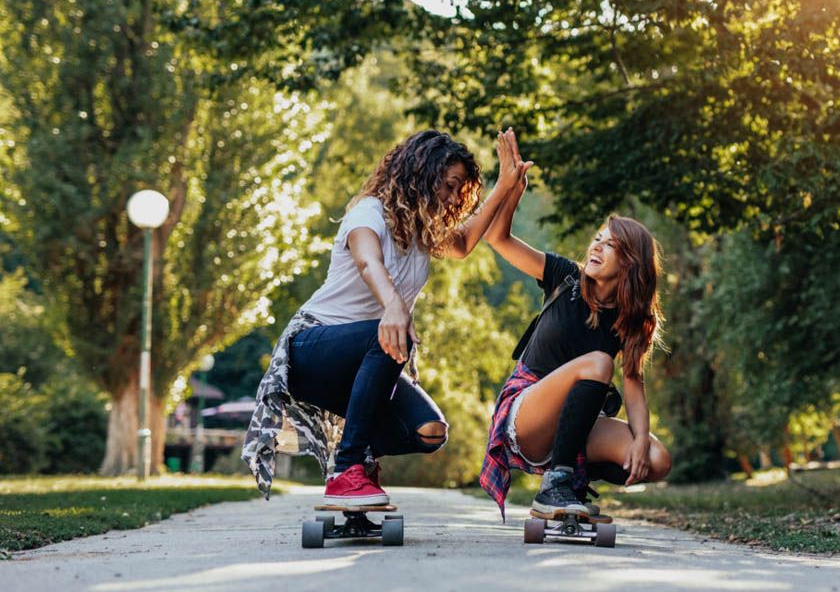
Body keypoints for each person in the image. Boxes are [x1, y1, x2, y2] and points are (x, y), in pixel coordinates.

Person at [244, 128, 526, 505]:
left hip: (365, 361)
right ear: (420, 176)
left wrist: (505, 185)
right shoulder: (369, 213)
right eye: (448, 185)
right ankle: (346, 471)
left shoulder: (423, 232)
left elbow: (463, 244)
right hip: (311, 351)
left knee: (428, 431)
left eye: (459, 191)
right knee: (393, 336)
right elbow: (367, 261)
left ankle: (358, 458)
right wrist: (394, 306)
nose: (453, 198)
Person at [478, 132, 671, 521]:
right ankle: (557, 483)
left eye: (610, 244)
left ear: (631, 262)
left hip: (576, 425)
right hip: (526, 415)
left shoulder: (634, 321)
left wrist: (637, 442)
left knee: (656, 458)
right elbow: (496, 238)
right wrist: (513, 190)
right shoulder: (564, 276)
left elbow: (634, 390)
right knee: (598, 363)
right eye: (596, 239)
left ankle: (571, 480)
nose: (596, 247)